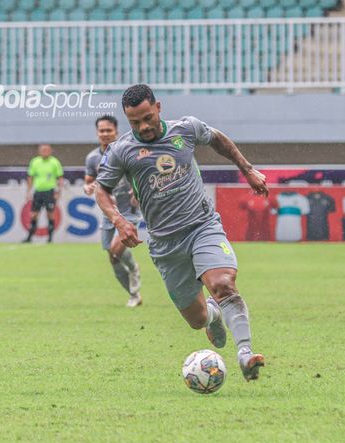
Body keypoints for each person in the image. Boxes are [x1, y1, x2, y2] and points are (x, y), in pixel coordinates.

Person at [95, 84, 268, 381]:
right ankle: (213, 315)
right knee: (196, 319)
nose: (143, 126)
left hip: (203, 226)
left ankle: (245, 354)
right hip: (165, 244)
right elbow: (101, 189)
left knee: (223, 283)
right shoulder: (123, 150)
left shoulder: (186, 130)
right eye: (135, 122)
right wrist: (120, 221)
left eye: (148, 118)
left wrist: (248, 169)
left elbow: (218, 140)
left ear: (158, 107)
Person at [84, 116, 143, 308]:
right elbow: (89, 180)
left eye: (108, 130)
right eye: (102, 131)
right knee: (112, 257)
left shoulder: (126, 151)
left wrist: (137, 191)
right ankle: (134, 294)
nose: (105, 134)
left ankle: (134, 277)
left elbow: (139, 174)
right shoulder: (93, 158)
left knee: (117, 252)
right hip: (109, 212)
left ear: (116, 131)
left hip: (129, 210)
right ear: (97, 133)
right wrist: (89, 187)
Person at [22, 144, 64, 243]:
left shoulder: (55, 162)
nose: (45, 152)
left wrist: (59, 191)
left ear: (50, 151)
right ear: (39, 151)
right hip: (38, 192)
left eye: (47, 150)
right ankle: (29, 237)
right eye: (43, 150)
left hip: (50, 191)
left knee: (50, 214)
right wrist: (28, 192)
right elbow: (30, 177)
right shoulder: (35, 162)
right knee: (33, 214)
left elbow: (60, 178)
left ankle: (50, 238)